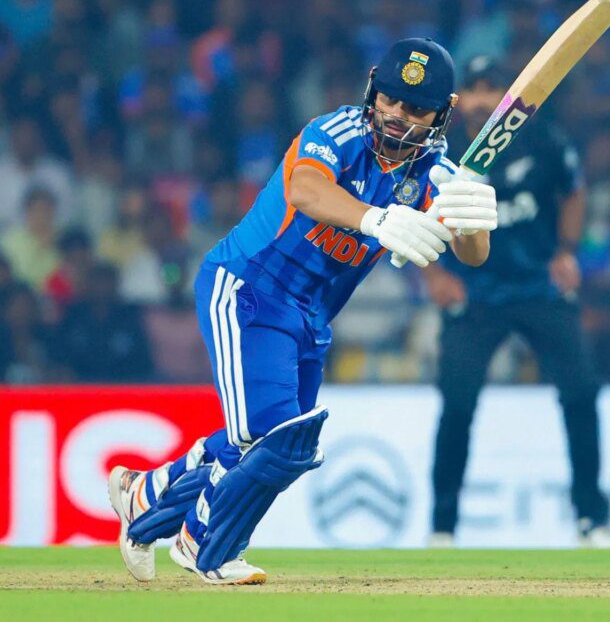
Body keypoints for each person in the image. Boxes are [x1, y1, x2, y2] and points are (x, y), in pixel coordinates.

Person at [107, 38, 498, 584]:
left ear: (441, 113)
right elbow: (306, 190)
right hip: (248, 286)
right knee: (274, 437)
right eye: (389, 98)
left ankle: (146, 497)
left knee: (275, 445)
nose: (396, 114)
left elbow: (472, 254)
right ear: (372, 89)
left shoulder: (436, 173)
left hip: (310, 316)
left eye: (414, 107)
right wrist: (376, 218)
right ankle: (204, 543)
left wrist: (472, 212)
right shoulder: (335, 132)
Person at [425, 56, 610, 548]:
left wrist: (566, 251)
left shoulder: (543, 140)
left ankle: (592, 519)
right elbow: (412, 209)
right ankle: (442, 528)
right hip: (475, 293)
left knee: (581, 394)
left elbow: (573, 191)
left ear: (508, 96)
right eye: (473, 90)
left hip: (539, 287)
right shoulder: (441, 151)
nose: (482, 100)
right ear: (459, 100)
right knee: (457, 405)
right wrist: (434, 275)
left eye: (492, 89)